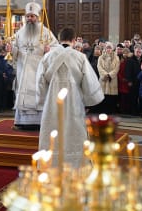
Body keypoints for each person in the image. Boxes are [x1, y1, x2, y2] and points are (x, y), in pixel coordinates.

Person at [36, 27, 104, 167]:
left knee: (52, 128)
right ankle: (77, 164)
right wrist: (88, 100)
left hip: (52, 101)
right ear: (74, 40)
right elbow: (89, 82)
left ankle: (51, 164)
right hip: (74, 100)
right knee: (75, 129)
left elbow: (40, 82)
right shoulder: (80, 57)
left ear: (59, 39)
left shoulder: (48, 56)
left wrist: (42, 101)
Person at [7, 2, 58, 130]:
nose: (30, 19)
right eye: (28, 16)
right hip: (23, 68)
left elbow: (56, 47)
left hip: (38, 68)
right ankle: (22, 122)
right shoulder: (19, 33)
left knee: (38, 92)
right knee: (23, 93)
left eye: (32, 16)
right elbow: (16, 51)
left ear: (37, 17)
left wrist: (49, 49)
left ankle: (40, 122)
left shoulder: (45, 32)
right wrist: (11, 49)